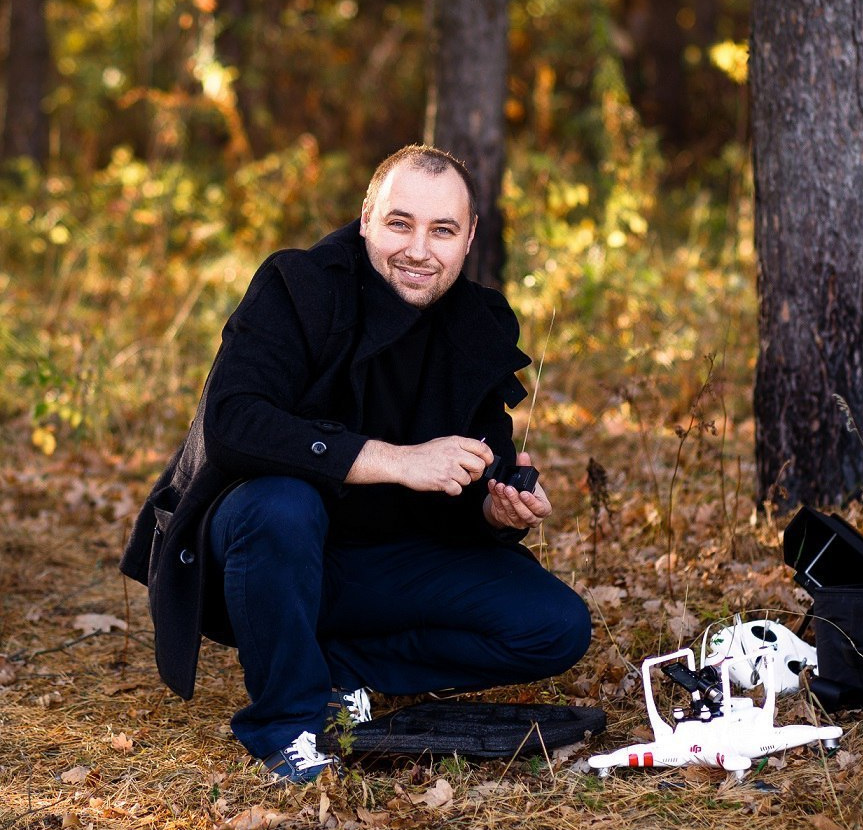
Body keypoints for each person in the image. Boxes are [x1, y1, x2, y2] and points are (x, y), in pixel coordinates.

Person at [120, 145, 592, 783]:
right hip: (258, 563)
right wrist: (394, 460)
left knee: (555, 627)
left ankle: (342, 669)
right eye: (401, 223)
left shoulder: (478, 322)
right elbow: (234, 425)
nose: (419, 249)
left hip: (379, 568)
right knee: (282, 502)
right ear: (367, 217)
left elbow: (482, 463)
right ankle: (290, 722)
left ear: (470, 237)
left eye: (442, 230)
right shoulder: (298, 286)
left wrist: (496, 509)